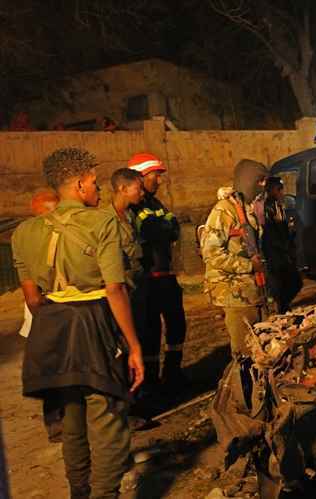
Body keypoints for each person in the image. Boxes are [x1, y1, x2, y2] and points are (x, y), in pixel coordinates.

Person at [12, 147, 144, 499]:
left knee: (71, 419)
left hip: (51, 325)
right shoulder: (101, 221)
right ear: (82, 184)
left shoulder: (23, 232)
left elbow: (32, 298)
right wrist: (134, 346)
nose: (99, 190)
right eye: (96, 183)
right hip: (93, 320)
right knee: (108, 420)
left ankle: (79, 492)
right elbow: (115, 289)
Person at [128, 152, 187, 386]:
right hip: (148, 279)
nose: (159, 181)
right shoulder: (133, 206)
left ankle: (172, 372)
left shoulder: (155, 203)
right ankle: (150, 382)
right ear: (141, 177)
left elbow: (173, 228)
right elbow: (155, 232)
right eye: (155, 175)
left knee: (177, 324)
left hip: (166, 275)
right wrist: (163, 228)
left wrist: (163, 228)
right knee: (149, 331)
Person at [201, 160, 266, 356]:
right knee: (244, 350)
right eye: (260, 181)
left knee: (259, 345)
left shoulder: (248, 208)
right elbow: (211, 253)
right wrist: (248, 266)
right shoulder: (224, 211)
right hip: (234, 293)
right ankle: (242, 385)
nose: (263, 186)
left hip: (250, 291)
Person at [256, 176, 302, 313]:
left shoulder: (275, 204)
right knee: (288, 281)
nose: (282, 192)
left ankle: (282, 306)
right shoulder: (271, 205)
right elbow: (274, 229)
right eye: (279, 189)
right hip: (276, 249)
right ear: (273, 190)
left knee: (287, 282)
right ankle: (281, 308)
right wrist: (286, 245)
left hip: (278, 248)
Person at [107, 168, 144, 290]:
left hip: (137, 280)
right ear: (123, 189)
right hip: (122, 285)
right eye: (138, 189)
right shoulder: (105, 219)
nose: (142, 193)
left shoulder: (130, 215)